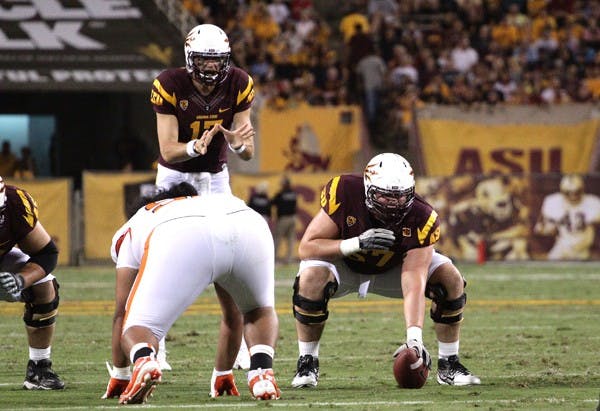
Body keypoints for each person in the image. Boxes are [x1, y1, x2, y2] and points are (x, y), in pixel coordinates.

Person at [290, 153, 481, 388]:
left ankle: (449, 364)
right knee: (310, 277)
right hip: (345, 266)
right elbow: (307, 247)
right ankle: (307, 361)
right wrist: (356, 243)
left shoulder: (422, 217)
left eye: (400, 197)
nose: (393, 203)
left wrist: (414, 338)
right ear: (368, 187)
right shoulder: (345, 191)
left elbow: (414, 280)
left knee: (450, 278)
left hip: (393, 271)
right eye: (385, 195)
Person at [102, 183, 280, 404]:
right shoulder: (207, 202)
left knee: (137, 326)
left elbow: (121, 312)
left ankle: (145, 359)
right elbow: (233, 316)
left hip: (181, 231)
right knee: (257, 310)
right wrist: (222, 373)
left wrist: (120, 374)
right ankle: (262, 372)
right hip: (248, 221)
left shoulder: (138, 221)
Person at [149, 23, 257, 370]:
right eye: (205, 60)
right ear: (189, 58)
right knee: (162, 258)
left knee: (230, 260)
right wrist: (195, 146)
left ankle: (239, 347)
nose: (212, 67)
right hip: (174, 176)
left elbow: (247, 149)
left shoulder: (239, 82)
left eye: (217, 60)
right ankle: (155, 346)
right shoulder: (169, 84)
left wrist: (238, 145)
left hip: (215, 179)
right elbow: (167, 149)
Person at [0, 176, 64, 390]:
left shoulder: (14, 203)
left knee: (44, 284)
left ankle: (39, 367)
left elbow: (46, 253)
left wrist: (19, 281)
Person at [534, 174, 600, 260]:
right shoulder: (553, 201)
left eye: (577, 192)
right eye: (568, 193)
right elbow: (539, 227)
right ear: (561, 191)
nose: (573, 196)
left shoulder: (593, 203)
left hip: (583, 248)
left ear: (583, 189)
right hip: (562, 246)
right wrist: (546, 230)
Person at [271, 176, 298, 264]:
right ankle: (289, 259)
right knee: (290, 239)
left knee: (277, 238)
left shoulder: (281, 194)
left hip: (284, 218)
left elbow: (272, 202)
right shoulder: (293, 194)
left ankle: (273, 258)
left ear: (285, 184)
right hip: (293, 218)